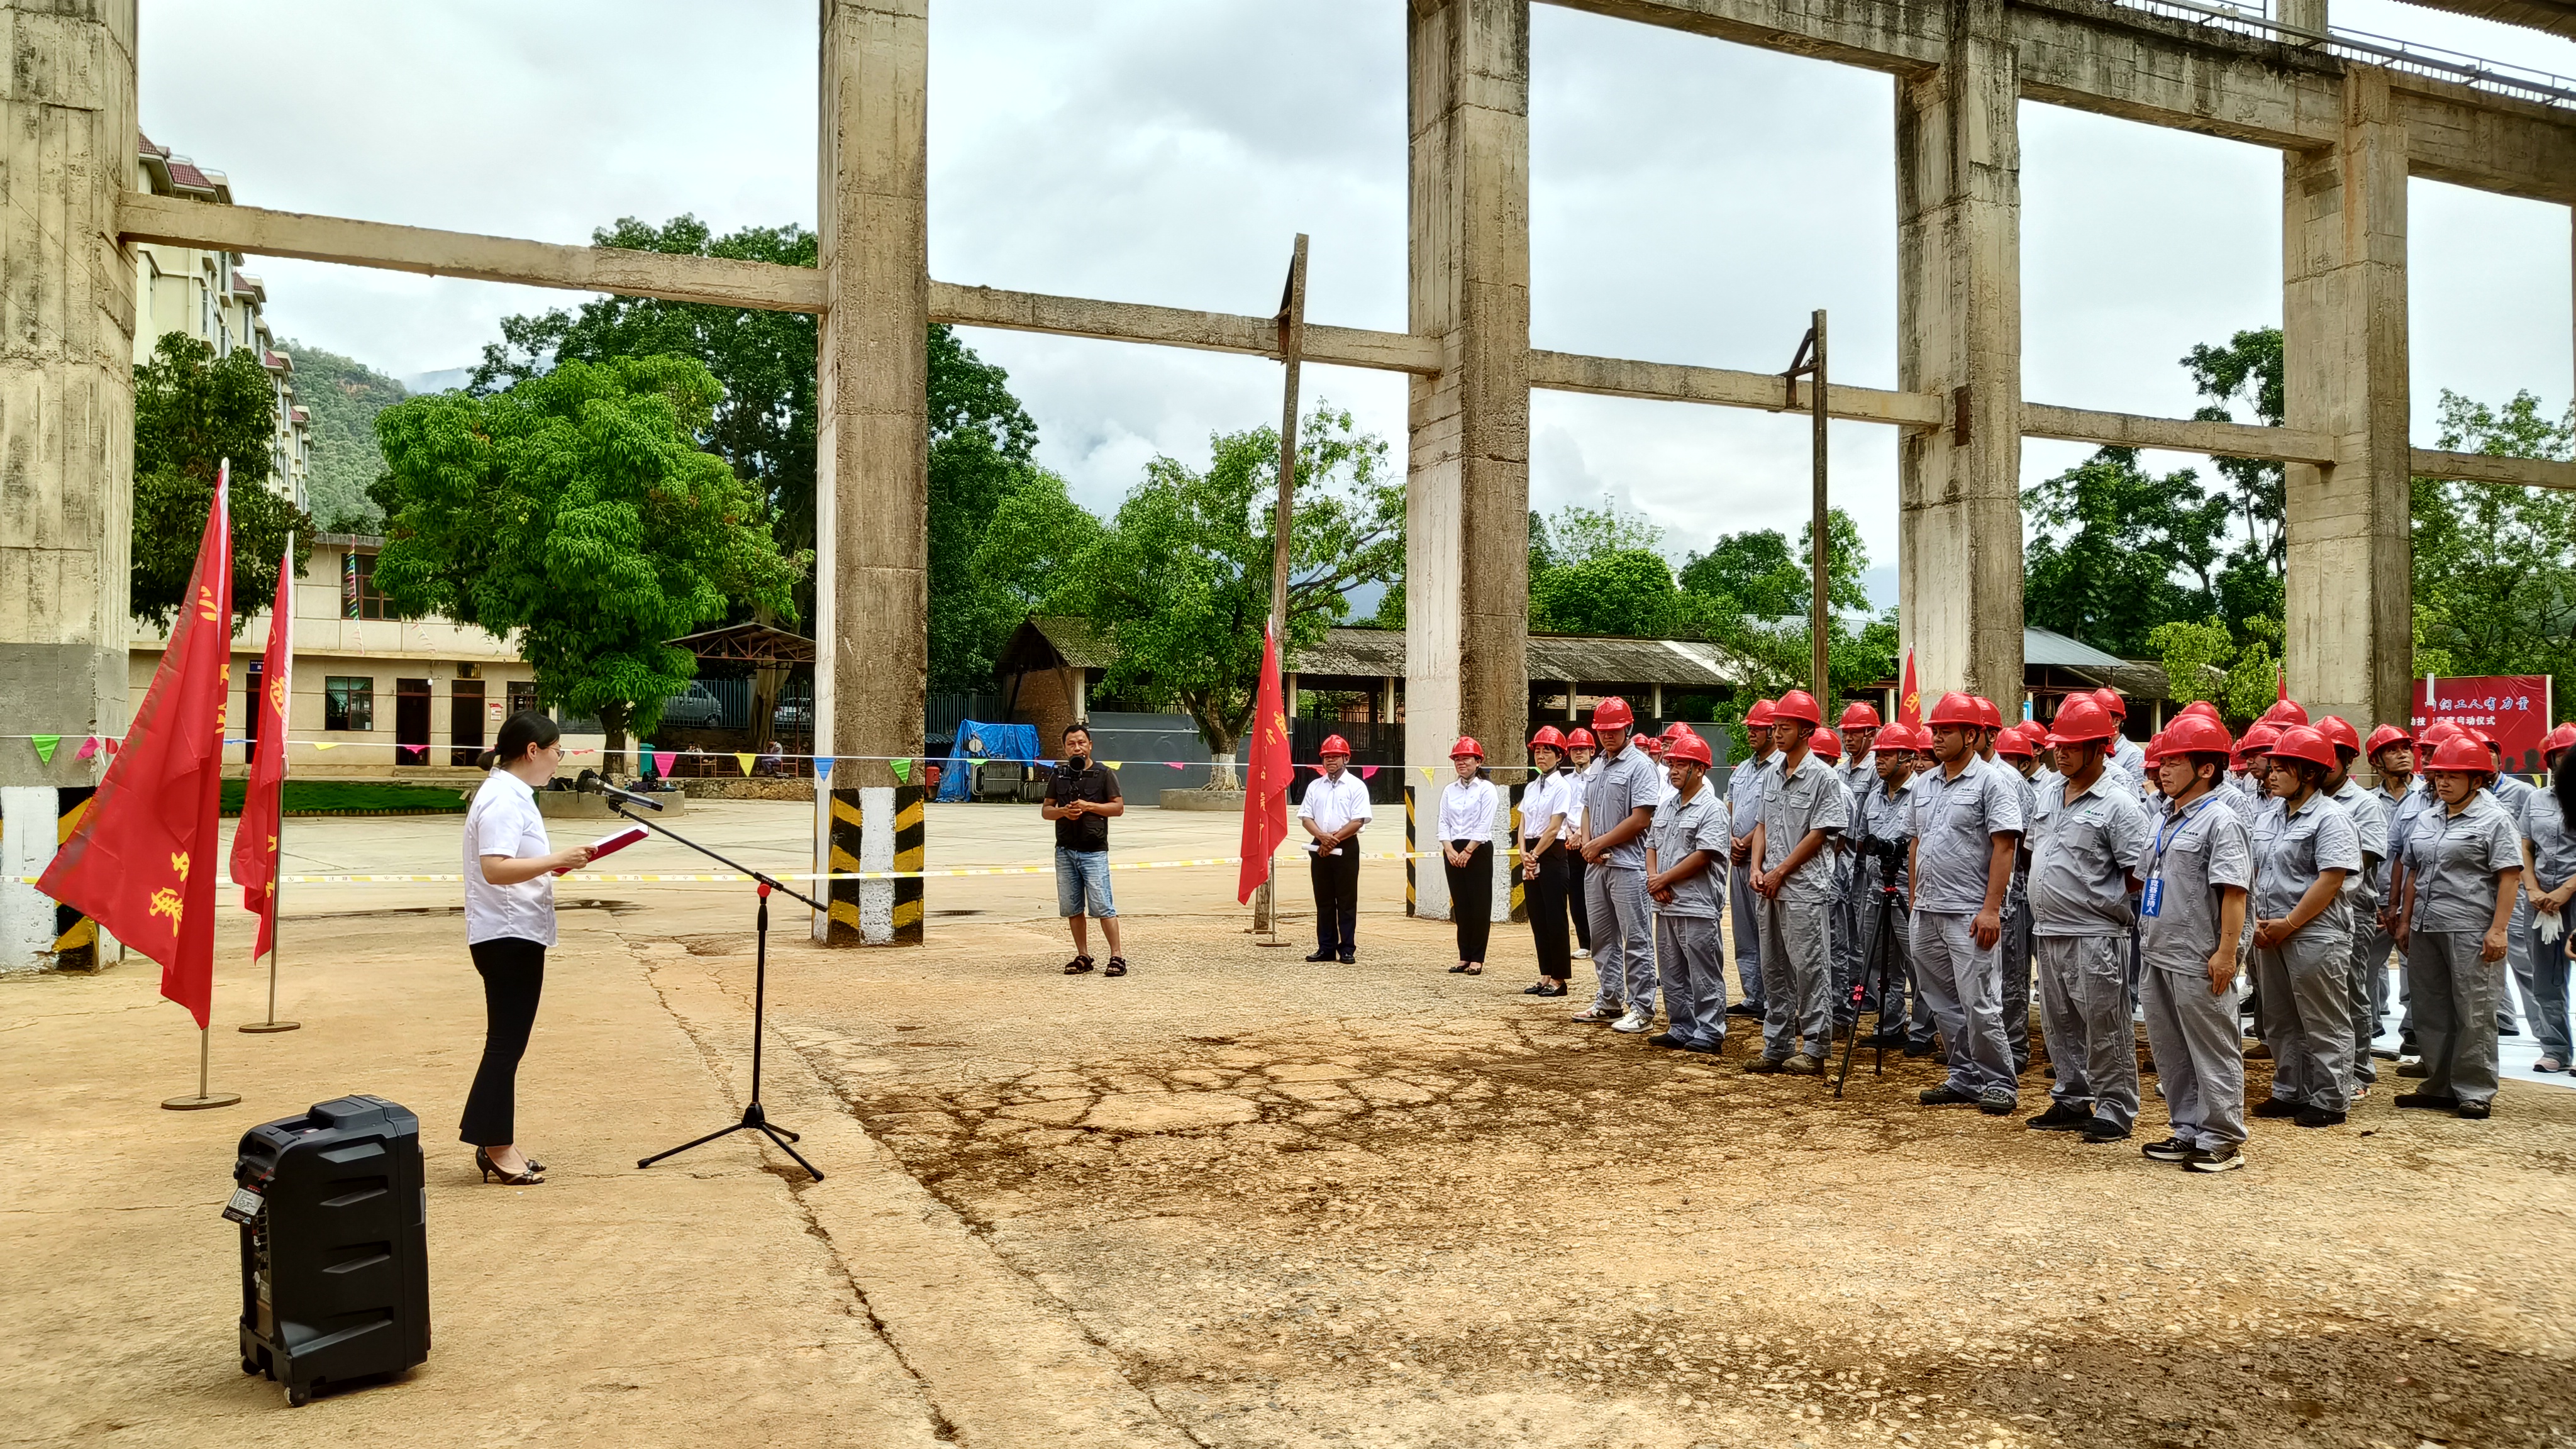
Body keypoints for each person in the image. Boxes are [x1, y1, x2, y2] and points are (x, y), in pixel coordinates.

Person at [459, 711, 594, 1186]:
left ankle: (494, 1139)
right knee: (505, 1045)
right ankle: (497, 1147)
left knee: (507, 1045)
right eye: (557, 751)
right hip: (506, 934)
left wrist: (552, 865)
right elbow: (495, 868)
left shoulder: (515, 795)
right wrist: (557, 859)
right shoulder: (502, 798)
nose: (561, 760)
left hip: (514, 932)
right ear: (533, 751)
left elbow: (516, 863)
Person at [2025, 696, 2151, 1143]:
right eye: (2058, 745)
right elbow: (2035, 851)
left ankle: (2116, 1107)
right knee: (2059, 1023)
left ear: (2099, 747)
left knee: (2105, 1024)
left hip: (2095, 933)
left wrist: (2096, 900)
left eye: (2072, 746)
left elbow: (2137, 873)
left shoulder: (2118, 803)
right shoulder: (2049, 793)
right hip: (2049, 929)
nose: (2061, 752)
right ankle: (2072, 1097)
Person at [2138, 718, 2255, 1172]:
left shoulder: (2221, 821)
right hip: (2158, 949)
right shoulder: (2165, 816)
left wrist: (2227, 953)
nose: (2163, 770)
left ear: (2206, 768)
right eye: (2162, 761)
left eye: (2175, 762)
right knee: (2171, 1047)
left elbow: (2234, 892)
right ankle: (2188, 1129)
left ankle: (2223, 1135)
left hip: (2198, 955)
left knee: (2213, 1046)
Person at [1907, 691, 2024, 1114]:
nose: (1937, 738)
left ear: (1972, 735)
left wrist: (1991, 908)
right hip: (1928, 911)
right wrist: (1915, 897)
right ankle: (1964, 1075)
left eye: (1947, 730)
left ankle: (1999, 1082)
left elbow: (2004, 847)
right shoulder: (1924, 783)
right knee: (1940, 999)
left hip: (1969, 913)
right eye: (1935, 730)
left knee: (1980, 1000)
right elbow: (1917, 842)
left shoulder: (1993, 782)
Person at [2395, 733, 2523, 1119]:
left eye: (2454, 775)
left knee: (2475, 1010)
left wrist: (2498, 930)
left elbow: (2509, 877)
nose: (2443, 782)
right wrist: (2404, 920)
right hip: (2426, 926)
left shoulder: (2495, 819)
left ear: (2478, 779)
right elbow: (2414, 872)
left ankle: (2474, 1090)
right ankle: (2439, 1084)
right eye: (2438, 775)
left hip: (2470, 926)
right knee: (2431, 1007)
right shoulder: (2428, 815)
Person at [2247, 726, 2363, 1127]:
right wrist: (2263, 925)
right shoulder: (2270, 814)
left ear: (2309, 773)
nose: (2270, 774)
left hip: (2315, 932)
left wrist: (2290, 922)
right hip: (2271, 929)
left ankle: (2330, 1098)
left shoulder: (2331, 818)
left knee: (2323, 1018)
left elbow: (2331, 879)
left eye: (2282, 768)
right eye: (2272, 767)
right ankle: (2290, 1090)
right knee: (2280, 1017)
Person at [1745, 692, 1848, 1074]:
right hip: (1769, 885)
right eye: (1775, 727)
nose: (1777, 733)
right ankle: (1776, 1044)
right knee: (1773, 967)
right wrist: (1757, 868)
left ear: (1806, 731)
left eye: (1784, 727)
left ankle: (1817, 1049)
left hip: (1803, 886)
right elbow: (1762, 826)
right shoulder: (1771, 773)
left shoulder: (1824, 777)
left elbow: (1820, 834)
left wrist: (1780, 870)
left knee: (1810, 968)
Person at [1574, 697, 1663, 1033]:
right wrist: (1587, 843)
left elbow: (1641, 818)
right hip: (1597, 864)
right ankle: (1609, 999)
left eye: (1614, 730)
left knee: (1636, 939)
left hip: (1628, 865)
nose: (1608, 736)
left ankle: (1642, 1007)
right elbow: (1585, 808)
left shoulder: (1640, 766)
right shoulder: (1597, 766)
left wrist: (1600, 842)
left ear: (1628, 727)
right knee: (1601, 938)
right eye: (1603, 731)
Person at [2314, 716, 2389, 1099]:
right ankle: (2322, 1069)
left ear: (2346, 760)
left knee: (2350, 991)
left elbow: (2365, 857)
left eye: (2330, 759)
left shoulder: (2363, 804)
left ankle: (2358, 1068)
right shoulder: (2303, 801)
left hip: (2349, 910)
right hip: (2305, 912)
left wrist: (2316, 870)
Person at [1646, 731, 1731, 1054]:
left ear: (1700, 769)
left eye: (1682, 764)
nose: (1674, 770)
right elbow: (1651, 844)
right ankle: (1681, 1026)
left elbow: (1704, 854)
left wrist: (1662, 879)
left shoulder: (1712, 809)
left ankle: (1710, 1031)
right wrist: (1655, 879)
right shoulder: (1667, 806)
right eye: (1672, 764)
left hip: (1696, 904)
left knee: (1703, 970)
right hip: (1666, 903)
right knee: (1671, 970)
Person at [1845, 721, 1919, 1050]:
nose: (1879, 760)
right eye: (1879, 755)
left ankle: (1923, 1031)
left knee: (1917, 961)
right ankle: (1890, 1025)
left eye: (1888, 755)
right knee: (1878, 961)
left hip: (1907, 889)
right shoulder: (1874, 797)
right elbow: (1862, 840)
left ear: (1908, 758)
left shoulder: (1921, 793)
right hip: (1875, 889)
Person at [1045, 723, 1128, 976]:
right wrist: (1063, 812)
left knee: (1103, 906)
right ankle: (1083, 955)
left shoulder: (1104, 774)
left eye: (1081, 742)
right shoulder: (1058, 775)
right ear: (1065, 748)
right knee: (1072, 907)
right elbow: (1046, 810)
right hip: (1065, 850)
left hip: (1094, 851)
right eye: (1071, 743)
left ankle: (1117, 957)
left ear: (1090, 745)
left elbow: (1118, 808)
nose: (1077, 747)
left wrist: (1089, 807)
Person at [2520, 722, 2576, 1073]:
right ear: (2551, 760)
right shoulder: (2535, 798)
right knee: (2546, 978)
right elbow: (2524, 845)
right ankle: (2556, 1048)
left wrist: (2566, 889)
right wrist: (2533, 889)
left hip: (2573, 893)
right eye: (2561, 755)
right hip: (2541, 900)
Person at [2362, 724, 2417, 1058]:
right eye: (2393, 750)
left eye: (2406, 748)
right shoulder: (2368, 803)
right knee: (2364, 967)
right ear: (2376, 762)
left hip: (2417, 901)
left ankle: (2413, 1030)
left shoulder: (2429, 796)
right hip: (2375, 900)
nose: (2403, 754)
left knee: (2417, 969)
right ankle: (2363, 1030)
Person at [1995, 723, 2045, 1075]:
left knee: (2011, 975)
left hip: (2011, 896)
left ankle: (2013, 1046)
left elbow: (2027, 844)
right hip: (1969, 896)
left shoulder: (2010, 782)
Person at [1725, 700, 1778, 1023]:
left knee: (1768, 934)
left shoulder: (1780, 768)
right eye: (1750, 728)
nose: (1752, 733)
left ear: (1773, 730)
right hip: (1739, 861)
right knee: (1744, 932)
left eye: (1758, 728)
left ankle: (1773, 998)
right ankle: (1753, 995)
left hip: (1765, 861)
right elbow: (1730, 808)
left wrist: (1746, 843)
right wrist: (1732, 840)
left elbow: (1774, 818)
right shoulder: (1743, 769)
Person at [1298, 735, 1372, 963]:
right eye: (1327, 757)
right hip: (1319, 845)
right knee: (1324, 899)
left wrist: (1333, 840)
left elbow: (1358, 820)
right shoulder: (1315, 786)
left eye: (1335, 756)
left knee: (1346, 900)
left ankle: (1347, 948)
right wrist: (1321, 837)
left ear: (1346, 758)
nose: (1331, 760)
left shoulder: (1356, 786)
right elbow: (1305, 817)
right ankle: (1326, 947)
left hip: (1346, 846)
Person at [1832, 702, 1882, 1024]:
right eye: (1845, 733)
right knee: (1846, 929)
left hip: (1867, 859)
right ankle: (1852, 987)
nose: (1848, 739)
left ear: (1870, 734)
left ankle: (1870, 994)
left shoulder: (1876, 770)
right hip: (1843, 861)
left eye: (1854, 733)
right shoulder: (1839, 772)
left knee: (1866, 932)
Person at [1519, 726, 1575, 997]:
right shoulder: (1531, 786)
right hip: (1531, 851)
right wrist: (1523, 853)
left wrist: (1535, 855)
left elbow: (1554, 827)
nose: (1541, 756)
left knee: (1555, 917)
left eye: (1547, 751)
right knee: (1538, 917)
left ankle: (1559, 978)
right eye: (1538, 751)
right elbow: (1523, 823)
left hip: (1550, 853)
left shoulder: (1562, 787)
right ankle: (1544, 974)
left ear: (1559, 756)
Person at [1438, 736, 1500, 976]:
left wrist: (1469, 850)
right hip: (1453, 850)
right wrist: (1449, 849)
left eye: (1466, 758)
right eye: (1457, 759)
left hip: (1478, 849)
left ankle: (1477, 958)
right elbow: (1443, 821)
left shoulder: (1486, 789)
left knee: (1479, 904)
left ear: (1478, 761)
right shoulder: (1448, 790)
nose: (1461, 762)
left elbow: (1485, 824)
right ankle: (1464, 955)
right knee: (1461, 904)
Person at [1563, 728, 1598, 960]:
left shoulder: (1599, 777)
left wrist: (1582, 836)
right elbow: (1560, 812)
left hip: (1593, 842)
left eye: (1583, 749)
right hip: (1569, 843)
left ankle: (1601, 941)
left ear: (1592, 751)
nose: (1579, 753)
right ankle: (1584, 942)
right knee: (1576, 896)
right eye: (1575, 750)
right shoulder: (1565, 781)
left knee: (1596, 895)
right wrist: (1568, 833)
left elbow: (1598, 810)